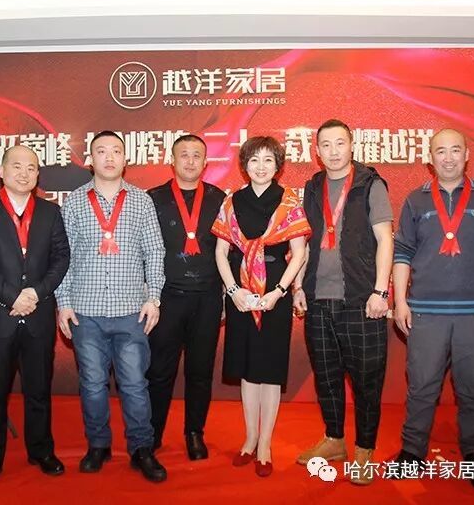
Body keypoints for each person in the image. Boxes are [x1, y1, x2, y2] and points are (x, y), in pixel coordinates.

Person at [392, 128, 474, 492]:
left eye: (455, 150)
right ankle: (412, 454)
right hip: (426, 311)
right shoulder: (415, 200)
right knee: (421, 387)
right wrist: (400, 300)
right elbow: (403, 253)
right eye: (440, 151)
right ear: (430, 159)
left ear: (466, 155)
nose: (448, 157)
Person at [55, 130, 168, 483]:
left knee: (134, 384)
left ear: (125, 159)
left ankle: (141, 448)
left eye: (116, 151)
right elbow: (63, 258)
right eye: (101, 151)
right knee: (92, 384)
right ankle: (98, 445)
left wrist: (154, 298)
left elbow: (155, 252)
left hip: (131, 311)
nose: (108, 157)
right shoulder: (74, 202)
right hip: (85, 312)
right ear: (90, 160)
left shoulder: (141, 201)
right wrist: (63, 302)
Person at [293, 119, 394, 486]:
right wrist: (299, 286)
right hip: (318, 300)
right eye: (326, 145)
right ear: (316, 151)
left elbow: (386, 239)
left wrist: (381, 292)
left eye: (340, 143)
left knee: (367, 381)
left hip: (361, 300)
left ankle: (364, 449)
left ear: (352, 145)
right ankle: (334, 440)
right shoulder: (312, 188)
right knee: (327, 377)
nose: (333, 151)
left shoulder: (370, 184)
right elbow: (303, 240)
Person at [0, 144, 71, 490]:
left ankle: (41, 451)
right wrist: (13, 297)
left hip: (38, 317)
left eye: (31, 168)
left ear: (38, 175)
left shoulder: (51, 212)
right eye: (17, 166)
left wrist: (35, 294)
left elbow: (61, 258)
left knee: (39, 391)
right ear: (2, 171)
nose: (24, 173)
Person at [211, 136, 310, 477]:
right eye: (254, 160)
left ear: (278, 165)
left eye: (269, 160)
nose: (261, 166)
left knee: (269, 370)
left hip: (275, 292)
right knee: (247, 369)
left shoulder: (289, 201)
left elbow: (299, 253)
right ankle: (250, 437)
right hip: (241, 290)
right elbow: (221, 253)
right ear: (244, 165)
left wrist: (280, 292)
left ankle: (265, 442)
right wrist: (233, 291)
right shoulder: (232, 201)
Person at [147, 134, 226, 460]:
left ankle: (195, 432)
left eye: (196, 155)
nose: (190, 161)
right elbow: (142, 251)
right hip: (165, 299)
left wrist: (227, 294)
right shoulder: (153, 199)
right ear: (172, 160)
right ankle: (151, 433)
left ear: (205, 162)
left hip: (207, 298)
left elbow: (229, 252)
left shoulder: (220, 199)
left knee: (200, 371)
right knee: (159, 371)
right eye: (184, 155)